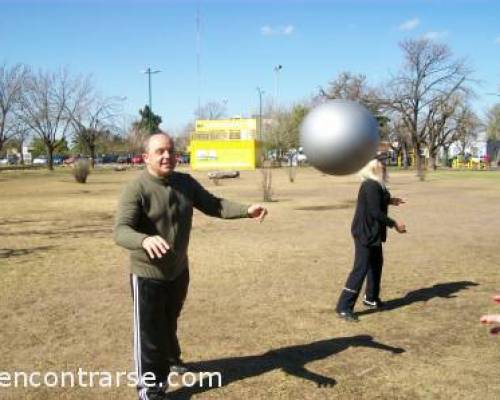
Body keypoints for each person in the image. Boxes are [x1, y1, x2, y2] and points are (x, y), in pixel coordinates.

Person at [113, 132, 268, 400]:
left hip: (178, 271)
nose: (167, 156)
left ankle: (172, 359)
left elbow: (214, 205)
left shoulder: (185, 183)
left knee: (170, 320)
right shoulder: (136, 188)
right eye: (160, 151)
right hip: (148, 276)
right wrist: (144, 239)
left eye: (170, 151)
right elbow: (121, 231)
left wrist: (246, 210)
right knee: (150, 335)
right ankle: (151, 389)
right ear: (146, 157)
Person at [335, 154, 407, 322]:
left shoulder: (377, 185)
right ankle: (344, 306)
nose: (385, 167)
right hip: (364, 232)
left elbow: (380, 199)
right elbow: (375, 212)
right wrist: (394, 224)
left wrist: (392, 200)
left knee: (376, 264)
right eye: (382, 165)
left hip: (373, 233)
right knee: (360, 268)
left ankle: (371, 298)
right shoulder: (370, 185)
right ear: (373, 167)